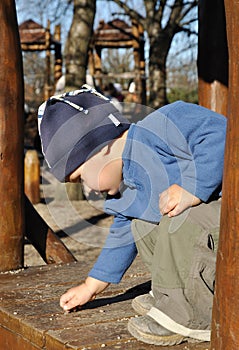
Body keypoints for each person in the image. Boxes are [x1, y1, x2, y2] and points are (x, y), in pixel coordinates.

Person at [38, 84, 227, 346]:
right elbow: (120, 238)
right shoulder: (126, 189)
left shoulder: (162, 127)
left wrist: (192, 187)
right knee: (141, 225)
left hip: (229, 229)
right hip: (210, 247)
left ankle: (192, 316)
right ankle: (172, 295)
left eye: (81, 177)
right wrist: (91, 286)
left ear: (99, 147)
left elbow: (222, 134)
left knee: (183, 218)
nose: (88, 189)